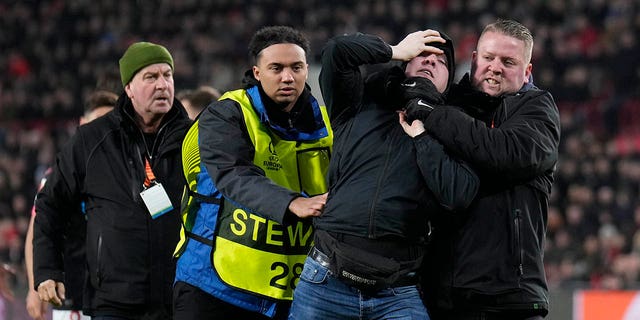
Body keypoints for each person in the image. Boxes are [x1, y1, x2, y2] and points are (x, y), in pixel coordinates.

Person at [288, 29, 479, 319]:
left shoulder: (454, 129)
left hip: (397, 292)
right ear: (405, 64)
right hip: (326, 281)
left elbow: (459, 195)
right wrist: (394, 50)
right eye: (421, 55)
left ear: (446, 85)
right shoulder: (357, 103)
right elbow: (337, 51)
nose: (430, 62)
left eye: (440, 62)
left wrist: (423, 137)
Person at [173, 26, 332, 320]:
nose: (288, 77)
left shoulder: (326, 123)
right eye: (277, 68)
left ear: (307, 70)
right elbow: (233, 173)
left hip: (290, 292)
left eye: (296, 67)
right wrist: (291, 202)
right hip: (213, 286)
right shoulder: (226, 114)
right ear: (257, 73)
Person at [33, 41, 191, 319]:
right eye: (151, 77)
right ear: (128, 88)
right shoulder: (92, 140)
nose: (162, 85)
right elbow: (50, 204)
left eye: (168, 75)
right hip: (114, 301)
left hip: (181, 298)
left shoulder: (196, 138)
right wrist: (47, 270)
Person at [416, 19, 561, 319]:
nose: (495, 67)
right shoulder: (450, 101)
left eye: (508, 62)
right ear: (473, 60)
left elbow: (503, 151)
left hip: (509, 298)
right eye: (488, 58)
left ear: (527, 72)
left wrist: (433, 115)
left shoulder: (536, 109)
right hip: (441, 297)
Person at [25, 90, 117, 320]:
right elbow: (39, 228)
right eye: (97, 123)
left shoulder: (129, 174)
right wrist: (34, 285)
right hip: (73, 296)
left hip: (120, 296)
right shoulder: (62, 174)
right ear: (83, 124)